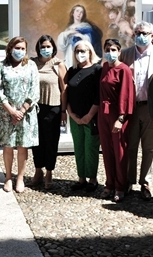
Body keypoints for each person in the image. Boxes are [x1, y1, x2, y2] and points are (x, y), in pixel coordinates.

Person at [119, 20, 153, 200]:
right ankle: (128, 180)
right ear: (134, 35)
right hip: (131, 109)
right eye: (138, 33)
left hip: (152, 108)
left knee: (150, 148)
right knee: (130, 146)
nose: (141, 36)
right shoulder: (125, 55)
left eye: (145, 33)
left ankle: (146, 181)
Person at [0, 36, 40, 193]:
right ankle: (7, 177)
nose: (19, 51)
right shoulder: (1, 66)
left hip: (25, 114)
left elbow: (34, 91)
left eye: (22, 49)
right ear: (10, 49)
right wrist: (11, 110)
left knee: (22, 146)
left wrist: (22, 110)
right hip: (7, 114)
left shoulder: (31, 65)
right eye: (17, 48)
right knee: (7, 146)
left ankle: (20, 177)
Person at [99, 38, 135, 202]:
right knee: (107, 150)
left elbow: (126, 95)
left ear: (119, 52)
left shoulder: (124, 70)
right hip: (103, 114)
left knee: (119, 150)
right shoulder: (105, 67)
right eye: (107, 49)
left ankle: (121, 186)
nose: (110, 53)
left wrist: (121, 118)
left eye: (113, 49)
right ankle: (109, 183)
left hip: (117, 114)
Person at [29, 35, 67, 190]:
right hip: (36, 107)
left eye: (48, 46)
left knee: (51, 141)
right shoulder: (32, 63)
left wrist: (64, 111)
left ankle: (49, 172)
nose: (45, 49)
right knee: (37, 141)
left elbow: (64, 89)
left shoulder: (58, 64)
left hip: (54, 107)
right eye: (43, 46)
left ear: (53, 48)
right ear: (38, 48)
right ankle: (38, 170)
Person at [64, 40, 102, 192]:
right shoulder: (71, 70)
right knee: (79, 147)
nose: (80, 54)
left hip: (91, 117)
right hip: (74, 116)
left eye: (83, 51)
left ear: (90, 52)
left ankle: (92, 179)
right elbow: (66, 93)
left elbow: (99, 96)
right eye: (77, 51)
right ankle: (81, 178)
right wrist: (71, 113)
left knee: (91, 147)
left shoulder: (97, 69)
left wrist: (89, 115)